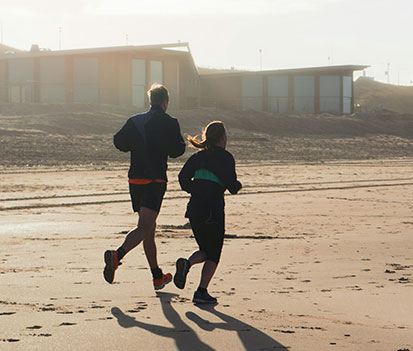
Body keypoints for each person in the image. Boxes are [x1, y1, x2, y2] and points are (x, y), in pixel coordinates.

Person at [103, 83, 186, 290]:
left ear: (150, 101)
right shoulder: (170, 122)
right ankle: (117, 255)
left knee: (149, 227)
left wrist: (138, 146)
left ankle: (157, 276)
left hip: (135, 179)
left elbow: (118, 142)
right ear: (165, 103)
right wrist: (162, 146)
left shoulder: (135, 121)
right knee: (144, 227)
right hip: (155, 180)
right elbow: (178, 150)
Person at [174, 121, 242, 304]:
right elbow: (232, 186)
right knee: (214, 253)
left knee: (206, 250)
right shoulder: (226, 158)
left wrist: (195, 189)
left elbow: (182, 179)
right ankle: (201, 291)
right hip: (212, 210)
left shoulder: (198, 157)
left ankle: (186, 265)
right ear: (222, 138)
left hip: (194, 209)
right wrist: (238, 185)